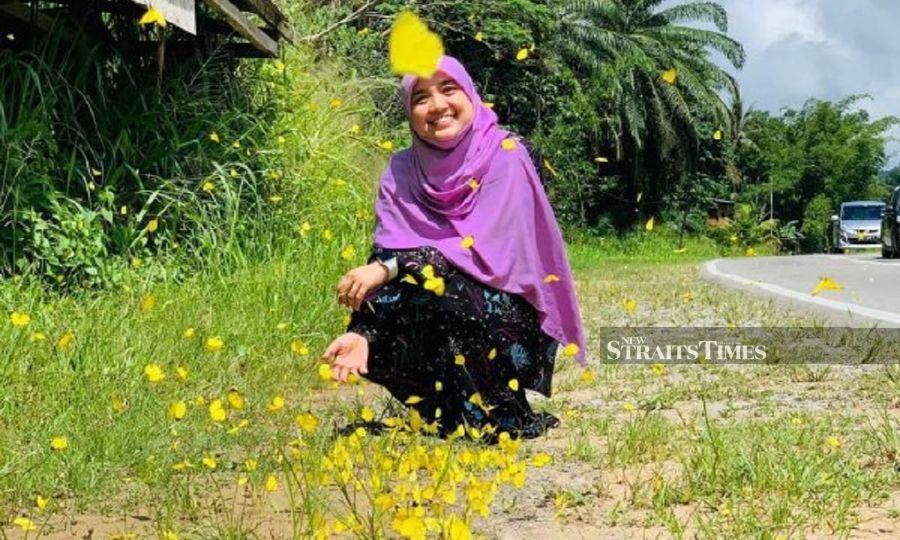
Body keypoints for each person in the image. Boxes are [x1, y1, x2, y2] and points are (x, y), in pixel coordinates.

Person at [320, 55, 586, 442]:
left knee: (444, 288)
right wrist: (364, 332)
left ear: (471, 94)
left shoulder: (508, 154)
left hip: (504, 305)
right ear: (409, 112)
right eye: (420, 98)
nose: (438, 105)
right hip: (437, 296)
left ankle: (501, 413)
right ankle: (443, 414)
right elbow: (387, 253)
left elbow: (483, 255)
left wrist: (391, 268)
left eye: (448, 89)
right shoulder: (402, 170)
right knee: (410, 291)